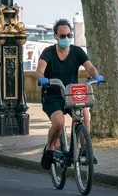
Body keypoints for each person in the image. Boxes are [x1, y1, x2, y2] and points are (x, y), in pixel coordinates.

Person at [36, 18, 104, 170]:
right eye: (62, 36)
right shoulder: (48, 52)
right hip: (53, 95)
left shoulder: (77, 51)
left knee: (85, 114)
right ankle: (50, 149)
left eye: (68, 35)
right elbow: (39, 70)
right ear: (55, 37)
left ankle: (85, 149)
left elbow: (90, 67)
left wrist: (95, 75)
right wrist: (42, 79)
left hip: (71, 94)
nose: (66, 38)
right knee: (59, 122)